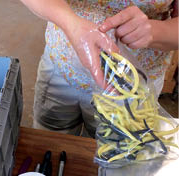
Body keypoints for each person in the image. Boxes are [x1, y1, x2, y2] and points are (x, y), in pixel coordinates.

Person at [20, 0, 178, 137]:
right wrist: (70, 23)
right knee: (49, 141)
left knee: (113, 156)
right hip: (62, 68)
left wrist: (154, 31)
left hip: (131, 88)